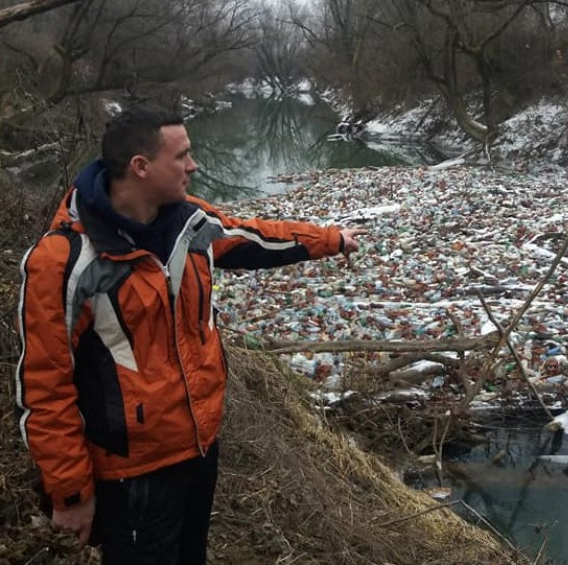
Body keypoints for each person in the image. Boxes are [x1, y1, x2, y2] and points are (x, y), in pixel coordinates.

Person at [15, 106, 366, 564]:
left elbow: (254, 237)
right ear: (141, 167)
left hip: (198, 448)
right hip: (131, 473)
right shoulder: (64, 261)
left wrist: (331, 239)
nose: (194, 166)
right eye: (182, 155)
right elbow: (45, 388)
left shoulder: (189, 222)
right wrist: (70, 492)